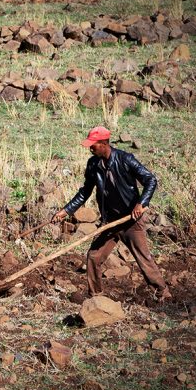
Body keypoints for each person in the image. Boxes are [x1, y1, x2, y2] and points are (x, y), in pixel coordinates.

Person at [51, 126, 172, 301]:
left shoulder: (125, 159)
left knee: (143, 259)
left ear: (104, 143)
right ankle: (96, 297)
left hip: (130, 219)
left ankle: (163, 293)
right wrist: (66, 210)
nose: (90, 148)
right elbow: (85, 192)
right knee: (93, 256)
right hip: (110, 221)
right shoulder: (93, 164)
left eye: (93, 145)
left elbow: (150, 180)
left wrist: (141, 203)